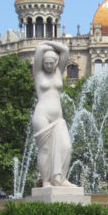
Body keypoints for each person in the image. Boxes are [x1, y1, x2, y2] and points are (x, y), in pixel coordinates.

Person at [31, 40, 76, 187]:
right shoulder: (38, 74)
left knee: (66, 147)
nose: (49, 65)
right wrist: (45, 46)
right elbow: (39, 49)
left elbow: (65, 50)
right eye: (46, 63)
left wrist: (50, 44)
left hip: (58, 118)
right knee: (45, 149)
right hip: (42, 115)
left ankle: (60, 178)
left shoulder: (58, 71)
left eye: (52, 63)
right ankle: (46, 181)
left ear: (56, 62)